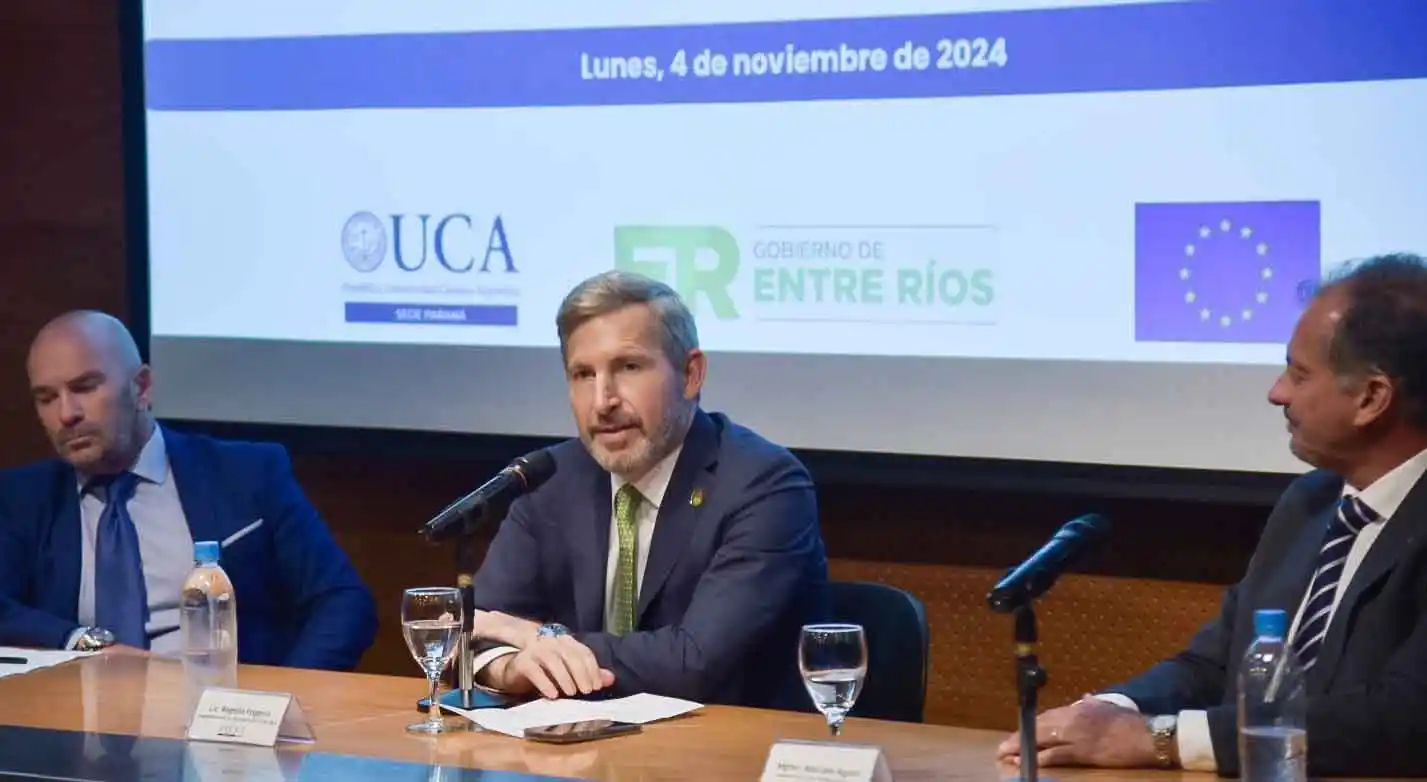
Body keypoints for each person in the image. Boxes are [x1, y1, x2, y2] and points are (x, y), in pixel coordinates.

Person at [998, 252, 1427, 777]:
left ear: (1371, 397)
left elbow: (1402, 718)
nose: (1277, 393)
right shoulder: (1309, 504)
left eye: (1299, 373)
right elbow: (1215, 663)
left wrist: (1158, 740)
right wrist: (1111, 711)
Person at [466, 270, 829, 708]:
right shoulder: (552, 479)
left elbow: (694, 664)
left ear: (691, 375)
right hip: (575, 759)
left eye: (629, 367)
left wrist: (537, 638)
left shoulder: (763, 484)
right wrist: (512, 667)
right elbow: (476, 630)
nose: (603, 401)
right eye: (583, 374)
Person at [0, 311, 378, 670]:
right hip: (73, 721)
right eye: (47, 398)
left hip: (222, 714)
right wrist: (81, 640)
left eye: (85, 387)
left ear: (141, 386)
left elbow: (342, 601)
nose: (67, 414)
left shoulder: (244, 475)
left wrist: (288, 699)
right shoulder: (25, 498)